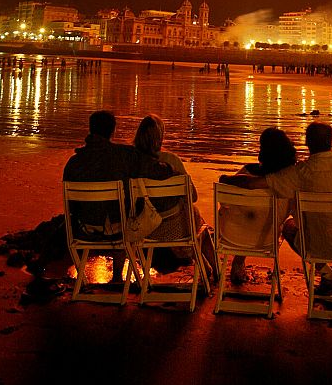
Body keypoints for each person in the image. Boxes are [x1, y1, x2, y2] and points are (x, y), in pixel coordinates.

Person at [224, 122, 332, 296]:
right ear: (331, 141)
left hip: (317, 247)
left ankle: (328, 274)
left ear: (307, 143)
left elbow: (252, 183)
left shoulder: (299, 173)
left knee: (291, 226)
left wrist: (226, 179)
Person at [63, 110, 172, 283]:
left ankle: (78, 273)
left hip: (84, 228)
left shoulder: (73, 163)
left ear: (90, 129)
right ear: (112, 131)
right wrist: (169, 167)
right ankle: (117, 277)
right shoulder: (124, 155)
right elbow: (157, 170)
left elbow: (70, 207)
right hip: (117, 229)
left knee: (112, 210)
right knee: (124, 212)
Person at [133, 114, 217, 280]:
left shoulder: (131, 161)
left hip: (143, 231)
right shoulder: (170, 161)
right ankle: (214, 270)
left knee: (190, 216)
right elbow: (192, 196)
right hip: (175, 231)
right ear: (160, 137)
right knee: (199, 224)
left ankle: (206, 267)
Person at [218, 127, 297, 285]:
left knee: (243, 215)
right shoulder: (288, 180)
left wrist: (225, 179)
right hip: (267, 238)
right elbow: (293, 210)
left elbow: (224, 202)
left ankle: (238, 262)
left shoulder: (246, 172)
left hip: (232, 237)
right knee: (275, 219)